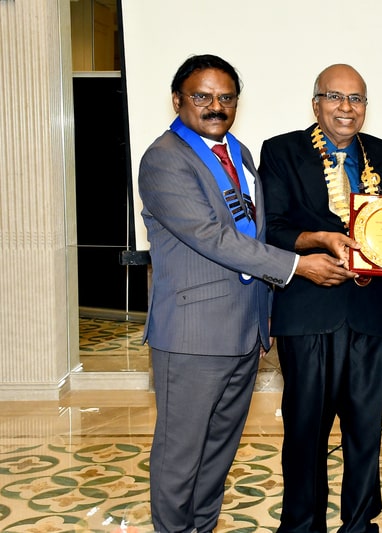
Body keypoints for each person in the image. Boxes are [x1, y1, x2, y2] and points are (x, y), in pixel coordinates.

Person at [138, 54, 353, 533]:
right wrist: (297, 265)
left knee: (218, 453)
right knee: (181, 457)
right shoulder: (165, 158)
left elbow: (254, 232)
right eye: (202, 96)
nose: (215, 106)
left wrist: (267, 311)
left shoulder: (239, 154)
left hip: (243, 330)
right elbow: (212, 237)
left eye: (226, 97)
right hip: (192, 336)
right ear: (177, 100)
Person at [257, 64, 382, 533]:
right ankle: (302, 525)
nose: (346, 108)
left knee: (365, 432)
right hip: (308, 311)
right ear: (316, 104)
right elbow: (272, 228)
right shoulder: (281, 151)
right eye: (335, 97)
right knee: (305, 431)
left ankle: (360, 524)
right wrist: (318, 240)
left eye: (356, 99)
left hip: (368, 312)